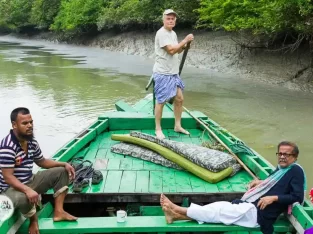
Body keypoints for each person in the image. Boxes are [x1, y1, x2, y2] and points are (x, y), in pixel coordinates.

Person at [160, 141, 306, 234]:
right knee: (219, 207)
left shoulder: (295, 171)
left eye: (286, 154)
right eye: (280, 153)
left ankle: (178, 209)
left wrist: (274, 198)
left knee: (219, 210)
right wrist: (261, 182)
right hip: (251, 207)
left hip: (259, 215)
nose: (282, 157)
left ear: (295, 156)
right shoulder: (281, 169)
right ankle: (176, 216)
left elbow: (297, 197)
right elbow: (274, 183)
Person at [0, 107, 77, 234]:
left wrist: (64, 164)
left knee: (61, 171)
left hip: (29, 180)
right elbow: (8, 177)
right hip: (9, 189)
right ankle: (33, 220)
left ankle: (59, 212)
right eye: (25, 123)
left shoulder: (31, 141)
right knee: (24, 198)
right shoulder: (7, 146)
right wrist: (27, 190)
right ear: (14, 125)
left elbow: (42, 162)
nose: (30, 126)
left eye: (31, 122)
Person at [152, 9, 194, 139]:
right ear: (163, 20)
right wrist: (184, 40)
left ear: (175, 21)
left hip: (173, 73)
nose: (170, 20)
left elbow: (177, 51)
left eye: (172, 19)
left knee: (179, 99)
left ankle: (177, 125)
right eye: (168, 18)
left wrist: (184, 45)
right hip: (163, 73)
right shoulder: (162, 33)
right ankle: (158, 129)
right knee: (161, 101)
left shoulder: (173, 33)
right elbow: (170, 50)